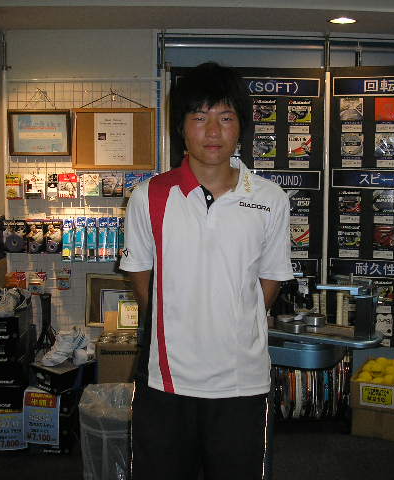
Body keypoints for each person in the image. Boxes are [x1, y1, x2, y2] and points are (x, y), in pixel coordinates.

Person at [119, 62, 293, 480]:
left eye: (225, 117)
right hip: (166, 380)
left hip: (241, 381)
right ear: (181, 126)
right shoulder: (148, 196)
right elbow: (142, 278)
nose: (212, 131)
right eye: (199, 117)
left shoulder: (270, 199)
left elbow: (270, 279)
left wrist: (233, 315)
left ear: (241, 126)